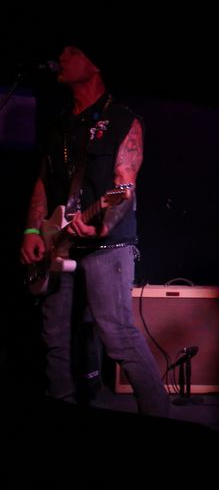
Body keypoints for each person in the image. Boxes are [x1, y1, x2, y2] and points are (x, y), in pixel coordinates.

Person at [19, 41, 169, 417]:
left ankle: (158, 415)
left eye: (72, 52)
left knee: (117, 336)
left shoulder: (122, 120)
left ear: (95, 63)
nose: (61, 58)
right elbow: (43, 182)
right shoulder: (57, 123)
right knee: (54, 337)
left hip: (106, 245)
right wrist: (33, 232)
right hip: (57, 242)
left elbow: (124, 186)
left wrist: (104, 224)